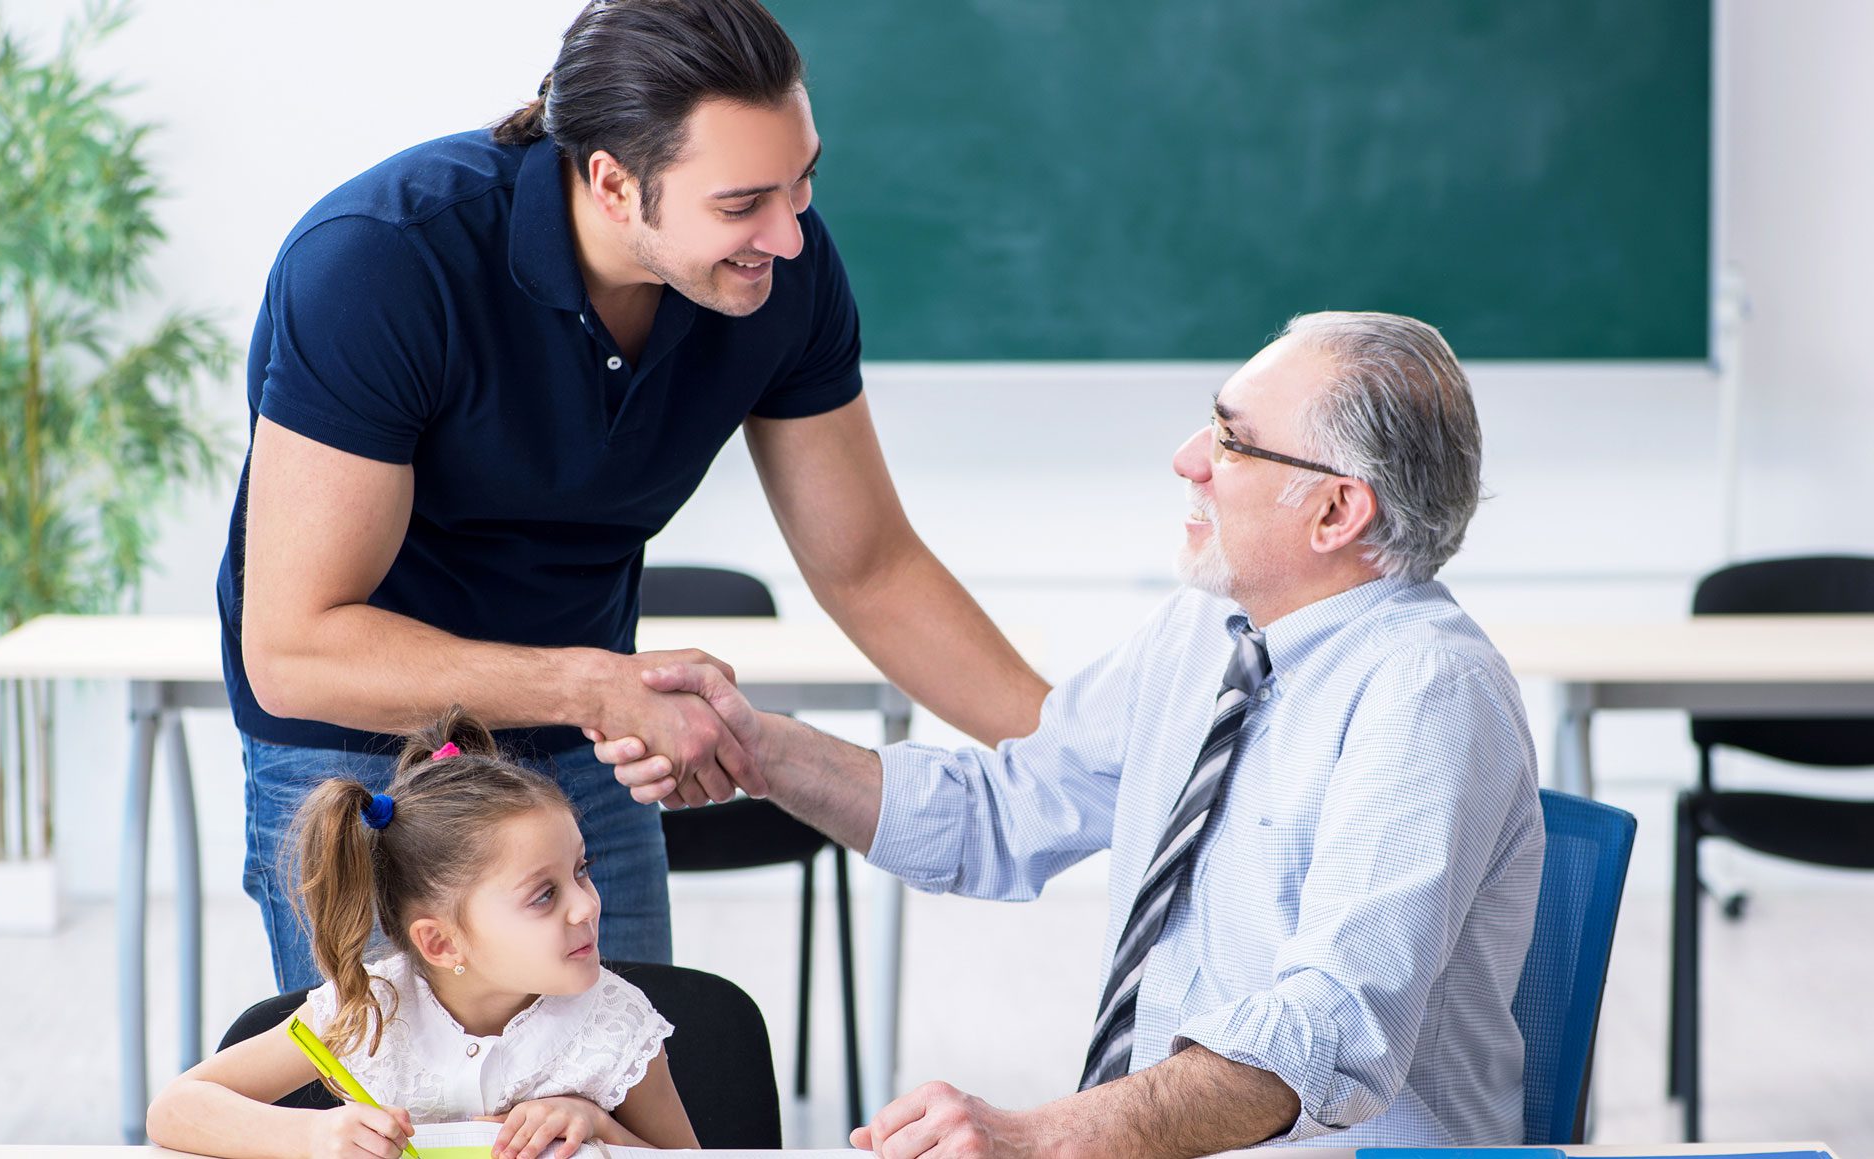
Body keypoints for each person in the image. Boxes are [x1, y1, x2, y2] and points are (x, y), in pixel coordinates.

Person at [220, 0, 1048, 989]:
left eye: (805, 182)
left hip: (579, 747)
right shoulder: (383, 261)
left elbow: (869, 567)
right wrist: (592, 684)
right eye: (742, 204)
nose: (788, 236)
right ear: (612, 182)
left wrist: (1100, 763)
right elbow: (296, 649)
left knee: (614, 1108)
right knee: (407, 1126)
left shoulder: (785, 271)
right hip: (366, 753)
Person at [597, 312, 1548, 1154]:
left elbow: (1333, 1028)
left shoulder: (1428, 691)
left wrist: (1040, 1136)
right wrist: (763, 750)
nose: (1188, 458)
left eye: (1233, 440)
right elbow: (1006, 812)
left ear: (1337, 510)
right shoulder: (1205, 632)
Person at [148, 709, 698, 1159]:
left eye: (581, 869)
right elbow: (175, 1109)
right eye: (544, 895)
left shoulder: (614, 1021)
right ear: (440, 943)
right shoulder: (367, 1009)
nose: (587, 905)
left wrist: (595, 1122)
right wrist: (312, 1135)